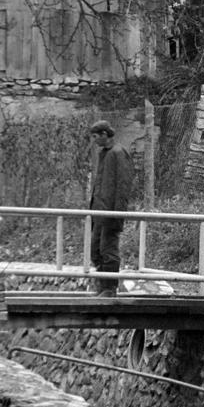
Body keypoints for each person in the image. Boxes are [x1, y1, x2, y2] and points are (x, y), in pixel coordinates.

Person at [88, 121, 134, 293]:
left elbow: (123, 186)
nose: (94, 141)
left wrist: (117, 214)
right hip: (99, 211)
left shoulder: (118, 153)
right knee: (96, 250)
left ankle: (109, 288)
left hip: (110, 212)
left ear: (104, 135)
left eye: (95, 137)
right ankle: (102, 286)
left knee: (109, 250)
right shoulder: (104, 154)